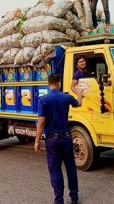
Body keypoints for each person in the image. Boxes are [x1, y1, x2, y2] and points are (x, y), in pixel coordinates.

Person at [35, 73, 83, 204]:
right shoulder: (66, 97)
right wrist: (79, 92)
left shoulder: (43, 100)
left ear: (48, 84)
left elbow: (41, 122)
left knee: (55, 170)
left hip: (52, 140)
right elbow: (79, 103)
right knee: (70, 168)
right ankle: (74, 197)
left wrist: (37, 140)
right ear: (59, 83)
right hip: (67, 138)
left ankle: (59, 200)